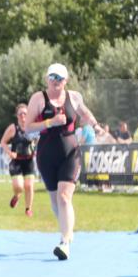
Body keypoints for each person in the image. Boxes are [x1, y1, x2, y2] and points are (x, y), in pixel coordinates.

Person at [23, 63, 103, 261]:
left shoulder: (73, 97)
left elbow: (85, 114)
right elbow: (28, 128)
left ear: (66, 80)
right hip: (46, 153)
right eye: (52, 77)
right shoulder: (38, 98)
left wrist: (96, 126)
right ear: (47, 79)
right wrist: (50, 122)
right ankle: (68, 230)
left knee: (64, 197)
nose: (56, 81)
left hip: (70, 152)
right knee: (55, 200)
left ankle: (64, 242)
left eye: (60, 78)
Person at [0, 103, 37, 216]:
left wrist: (37, 149)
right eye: (20, 114)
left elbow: (39, 139)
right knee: (19, 187)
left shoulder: (33, 127)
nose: (22, 116)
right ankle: (17, 195)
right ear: (17, 116)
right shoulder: (13, 128)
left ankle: (28, 208)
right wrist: (10, 153)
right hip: (16, 162)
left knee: (29, 186)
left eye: (25, 113)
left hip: (29, 161)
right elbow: (3, 142)